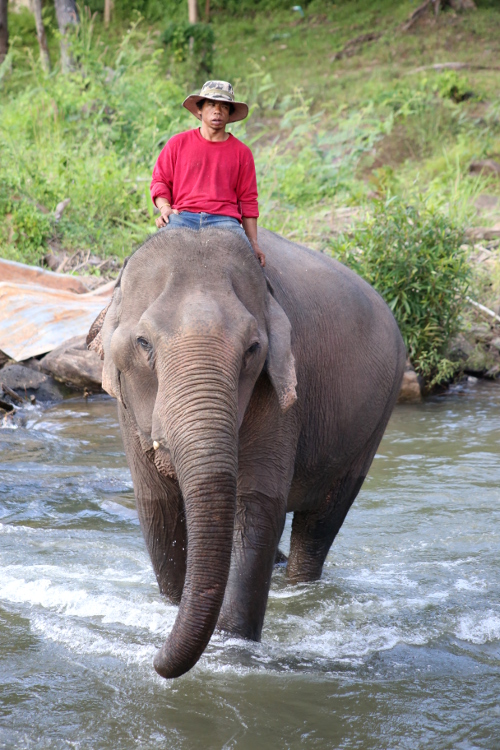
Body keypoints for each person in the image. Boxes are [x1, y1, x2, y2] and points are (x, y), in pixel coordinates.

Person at [150, 80, 265, 267]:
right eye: (211, 104)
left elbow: (248, 200)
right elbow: (160, 181)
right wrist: (165, 209)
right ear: (199, 110)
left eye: (224, 106)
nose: (217, 111)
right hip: (183, 217)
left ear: (230, 114)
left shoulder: (242, 152)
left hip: (225, 221)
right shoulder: (177, 143)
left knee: (249, 266)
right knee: (154, 260)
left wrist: (253, 243)